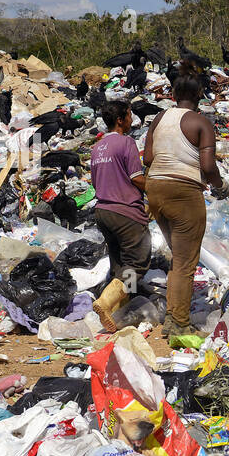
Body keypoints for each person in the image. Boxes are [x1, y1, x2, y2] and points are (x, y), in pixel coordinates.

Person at [144, 60, 223, 337]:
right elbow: (209, 166)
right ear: (199, 94)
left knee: (179, 258)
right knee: (186, 261)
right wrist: (221, 186)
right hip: (183, 192)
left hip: (155, 190)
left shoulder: (159, 119)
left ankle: (171, 318)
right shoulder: (201, 122)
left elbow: (148, 158)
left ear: (174, 95)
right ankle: (179, 323)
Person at [89, 100, 150, 330]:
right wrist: (157, 187)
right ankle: (105, 302)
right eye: (130, 114)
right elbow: (136, 177)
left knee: (121, 265)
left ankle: (121, 311)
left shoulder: (98, 148)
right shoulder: (126, 143)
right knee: (137, 263)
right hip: (126, 213)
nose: (133, 118)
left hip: (103, 212)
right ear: (120, 120)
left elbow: (96, 183)